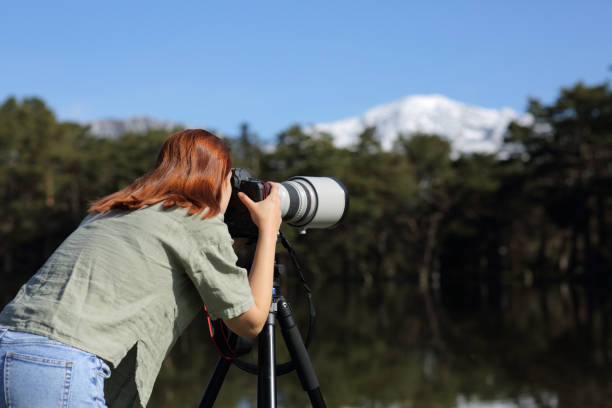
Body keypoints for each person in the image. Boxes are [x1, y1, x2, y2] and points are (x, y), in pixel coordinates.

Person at [0, 129, 281, 408]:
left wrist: (235, 240)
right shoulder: (197, 218)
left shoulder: (114, 208)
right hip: (57, 365)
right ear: (217, 180)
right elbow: (251, 322)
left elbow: (194, 261)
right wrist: (269, 229)